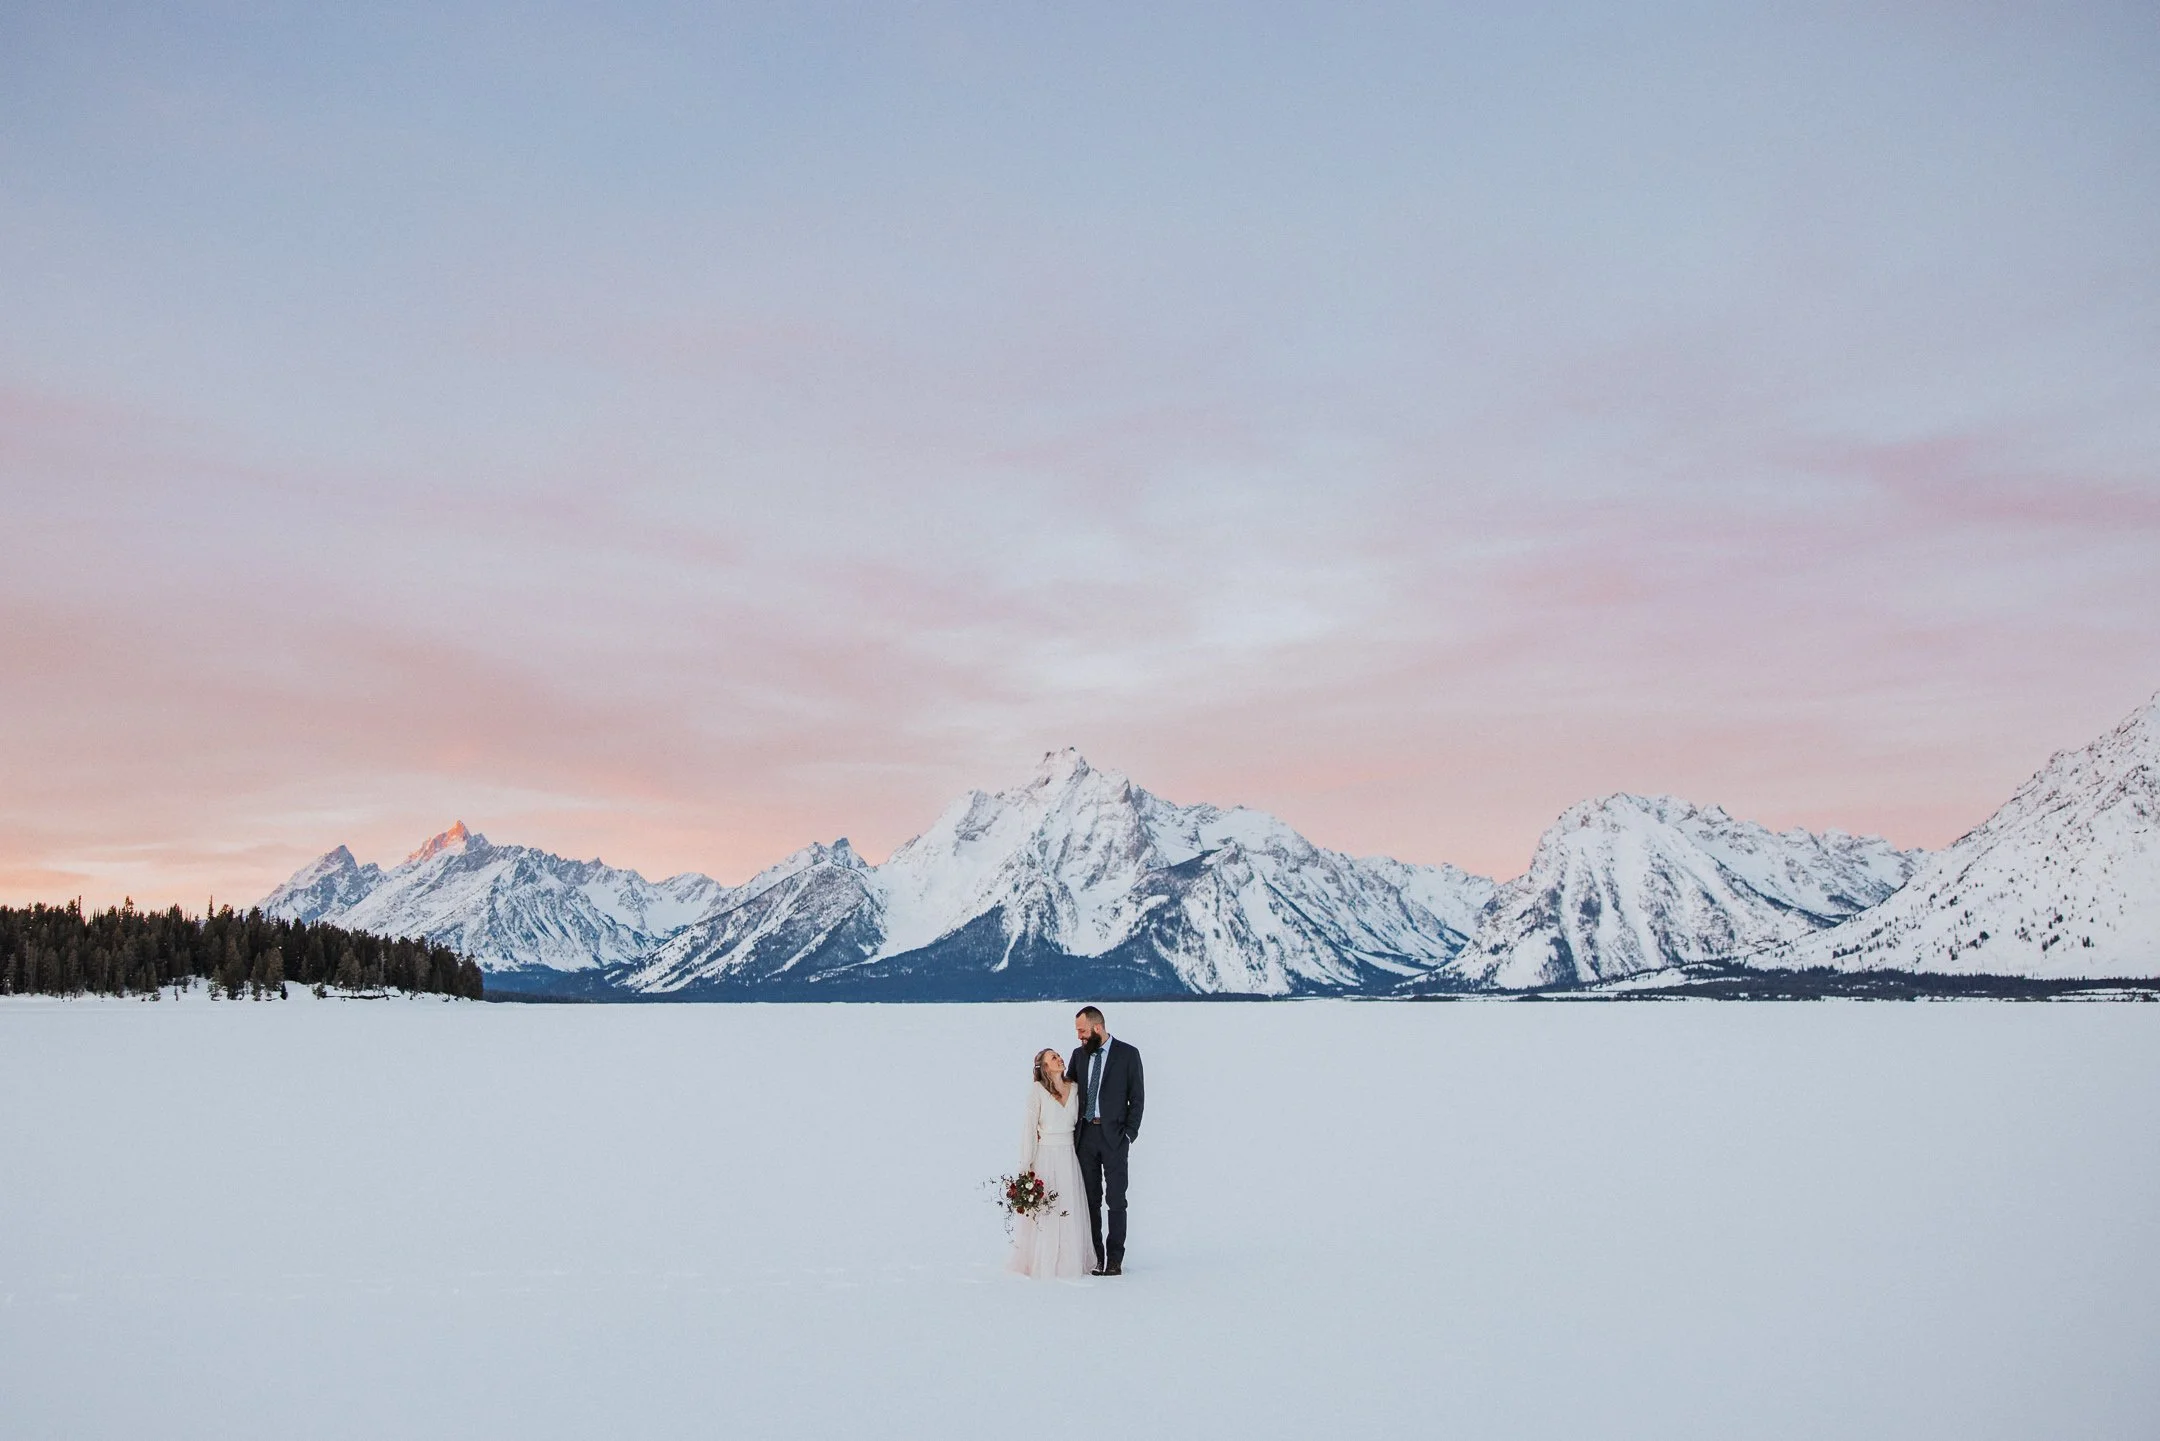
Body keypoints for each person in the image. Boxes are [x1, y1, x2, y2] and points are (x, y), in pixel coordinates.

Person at [1006, 1048, 1097, 1280]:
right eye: (1053, 1058)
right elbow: (1029, 1129)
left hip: (1068, 1155)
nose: (1059, 1059)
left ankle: (1068, 1260)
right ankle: (1044, 1260)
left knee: (1068, 1206)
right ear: (1045, 1068)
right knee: (1047, 1209)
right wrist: (1026, 1164)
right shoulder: (1037, 1091)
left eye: (1058, 1055)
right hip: (1045, 1154)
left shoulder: (1075, 1088)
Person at [1067, 1005, 1144, 1276]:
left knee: (1116, 1199)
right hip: (1086, 1136)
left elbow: (1137, 1098)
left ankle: (1114, 1259)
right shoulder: (1078, 1056)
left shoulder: (1128, 1054)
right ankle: (1096, 1256)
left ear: (1097, 1028)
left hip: (1114, 1137)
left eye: (1082, 1031)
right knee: (1090, 1200)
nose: (1079, 1037)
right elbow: (1069, 1093)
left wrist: (1129, 1134)